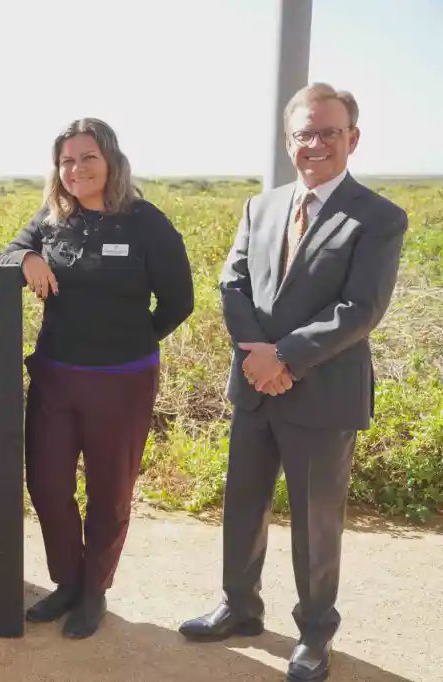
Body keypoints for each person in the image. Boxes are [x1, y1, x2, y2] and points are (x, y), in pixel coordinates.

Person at [178, 83, 408, 682]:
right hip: (255, 386)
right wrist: (258, 357)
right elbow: (232, 284)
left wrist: (283, 355)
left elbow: (361, 308)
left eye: (329, 132)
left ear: (352, 138)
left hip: (322, 394)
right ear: (289, 143)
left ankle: (313, 633)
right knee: (242, 507)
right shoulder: (262, 207)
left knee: (315, 522)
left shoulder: (379, 217)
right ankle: (239, 606)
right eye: (304, 133)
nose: (316, 144)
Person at [0, 118, 193, 639]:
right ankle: (68, 581)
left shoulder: (146, 222)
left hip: (123, 382)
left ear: (111, 162)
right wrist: (28, 257)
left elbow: (179, 300)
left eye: (87, 158)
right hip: (56, 377)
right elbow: (1, 257)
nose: (76, 169)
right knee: (47, 484)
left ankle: (94, 591)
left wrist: (130, 341)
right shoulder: (51, 219)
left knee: (110, 492)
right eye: (66, 161)